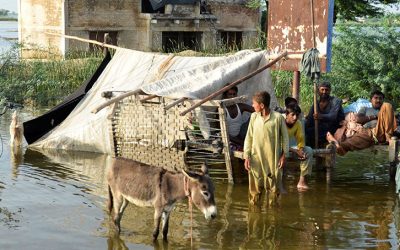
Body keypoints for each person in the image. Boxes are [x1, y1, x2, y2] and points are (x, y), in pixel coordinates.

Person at [243, 91, 289, 205]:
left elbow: (285, 138)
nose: (252, 105)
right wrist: (246, 156)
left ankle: (272, 217)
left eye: (254, 103)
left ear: (262, 105)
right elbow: (249, 136)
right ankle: (255, 215)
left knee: (273, 188)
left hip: (272, 159)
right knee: (255, 188)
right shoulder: (254, 117)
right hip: (256, 158)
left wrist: (284, 156)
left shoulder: (278, 118)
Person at [326, 90, 398, 155]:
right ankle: (338, 146)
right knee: (348, 144)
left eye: (380, 98)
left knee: (387, 105)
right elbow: (358, 119)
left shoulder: (385, 109)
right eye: (376, 98)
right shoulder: (365, 108)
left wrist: (383, 116)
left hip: (382, 132)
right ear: (371, 100)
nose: (378, 100)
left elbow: (393, 123)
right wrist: (375, 116)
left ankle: (388, 137)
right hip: (369, 133)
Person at [305, 82, 344, 147]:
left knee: (313, 132)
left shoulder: (335, 101)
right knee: (307, 130)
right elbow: (310, 118)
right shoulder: (316, 103)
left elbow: (333, 116)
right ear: (318, 91)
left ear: (330, 91)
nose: (324, 92)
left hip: (333, 126)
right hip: (321, 126)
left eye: (326, 90)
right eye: (322, 89)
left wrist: (320, 116)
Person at [284, 104, 313, 190]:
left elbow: (300, 140)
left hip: (288, 146)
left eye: (297, 115)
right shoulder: (280, 121)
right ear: (286, 114)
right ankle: (279, 180)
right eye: (292, 114)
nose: (295, 117)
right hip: (276, 146)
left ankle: (302, 181)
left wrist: (300, 150)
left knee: (308, 150)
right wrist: (296, 151)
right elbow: (279, 143)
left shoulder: (298, 123)